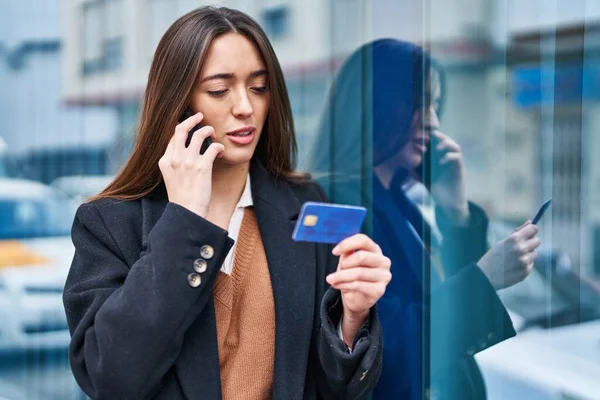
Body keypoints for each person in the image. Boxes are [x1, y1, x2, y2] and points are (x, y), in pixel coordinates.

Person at [63, 7, 392, 400]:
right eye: (219, 90)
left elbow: (327, 387)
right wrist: (183, 221)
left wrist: (351, 319)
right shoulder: (109, 223)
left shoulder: (305, 205)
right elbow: (110, 377)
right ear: (179, 103)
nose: (245, 107)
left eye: (259, 87)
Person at [309, 39, 541, 399]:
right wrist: (487, 278)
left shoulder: (398, 201)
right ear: (378, 106)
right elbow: (382, 349)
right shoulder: (335, 205)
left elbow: (447, 292)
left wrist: (455, 207)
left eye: (434, 106)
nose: (432, 123)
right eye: (420, 104)